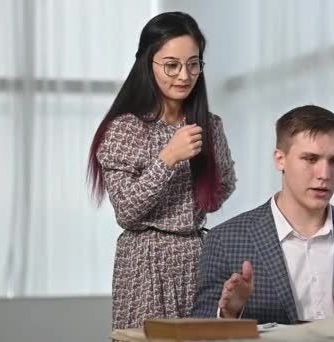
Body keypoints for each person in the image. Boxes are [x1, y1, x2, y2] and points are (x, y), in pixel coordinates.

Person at [86, 12, 236, 329]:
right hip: (144, 261)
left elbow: (216, 197)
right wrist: (168, 158)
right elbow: (126, 212)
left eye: (193, 64)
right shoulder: (125, 129)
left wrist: (212, 156)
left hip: (197, 256)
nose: (184, 75)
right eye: (171, 65)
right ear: (148, 64)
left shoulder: (209, 125)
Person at [192, 105, 334, 324]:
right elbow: (198, 331)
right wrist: (229, 313)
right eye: (310, 159)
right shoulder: (224, 240)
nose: (324, 175)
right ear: (280, 159)